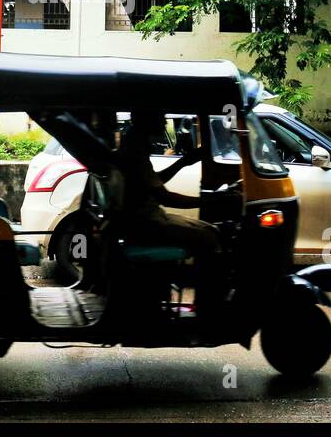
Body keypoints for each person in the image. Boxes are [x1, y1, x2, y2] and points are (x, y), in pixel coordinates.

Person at [35, 109, 222, 305]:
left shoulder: (134, 143)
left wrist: (183, 163)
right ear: (147, 119)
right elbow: (164, 197)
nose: (164, 122)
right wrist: (207, 201)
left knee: (211, 231)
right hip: (145, 222)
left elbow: (152, 183)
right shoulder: (135, 149)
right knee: (210, 237)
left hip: (147, 217)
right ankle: (209, 306)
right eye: (160, 117)